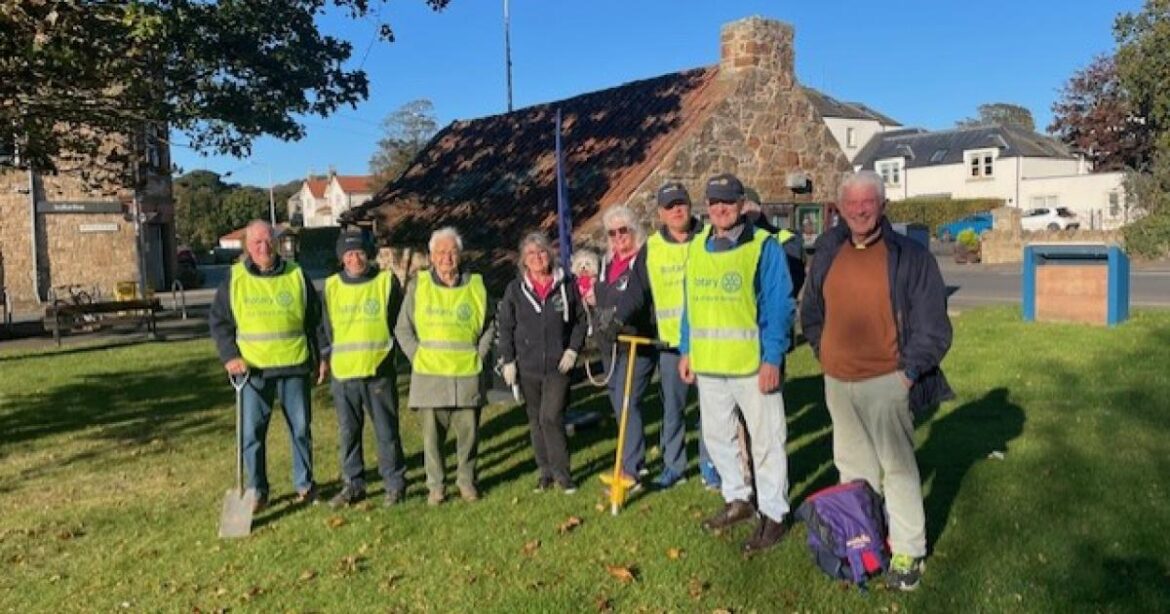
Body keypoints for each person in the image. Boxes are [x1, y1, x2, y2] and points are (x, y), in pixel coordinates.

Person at [800, 170, 953, 591]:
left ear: (883, 205)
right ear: (840, 208)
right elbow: (811, 310)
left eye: (868, 202)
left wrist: (907, 374)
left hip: (887, 380)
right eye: (851, 203)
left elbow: (935, 328)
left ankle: (908, 550)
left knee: (897, 469)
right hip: (838, 382)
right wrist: (823, 351)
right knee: (853, 468)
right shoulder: (829, 249)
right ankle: (864, 541)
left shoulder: (910, 257)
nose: (860, 210)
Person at [678, 173, 795, 555]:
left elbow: (779, 305)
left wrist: (773, 357)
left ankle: (774, 513)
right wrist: (686, 349)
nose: (720, 208)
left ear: (742, 204)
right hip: (709, 364)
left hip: (752, 365)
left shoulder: (763, 246)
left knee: (767, 441)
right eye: (714, 201)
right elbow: (691, 304)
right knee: (718, 438)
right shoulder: (698, 247)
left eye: (728, 201)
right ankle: (738, 498)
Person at [610, 181, 719, 490]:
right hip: (671, 345)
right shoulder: (653, 248)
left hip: (710, 340)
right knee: (673, 410)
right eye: (669, 207)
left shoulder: (710, 238)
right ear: (660, 213)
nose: (676, 211)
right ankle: (674, 466)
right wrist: (617, 319)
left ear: (690, 205)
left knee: (713, 410)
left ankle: (712, 466)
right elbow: (637, 291)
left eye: (680, 204)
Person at [209, 219, 324, 512]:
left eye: (268, 240)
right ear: (248, 246)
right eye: (257, 242)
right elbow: (220, 322)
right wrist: (230, 356)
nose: (264, 247)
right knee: (251, 435)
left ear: (276, 242)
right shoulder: (235, 278)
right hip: (252, 372)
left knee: (300, 430)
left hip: (294, 366)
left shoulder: (297, 274)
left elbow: (315, 320)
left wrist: (321, 355)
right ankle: (258, 491)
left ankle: (305, 485)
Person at [395, 227, 496, 506]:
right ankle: (436, 486)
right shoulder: (418, 286)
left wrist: (480, 355)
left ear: (460, 255)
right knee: (432, 439)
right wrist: (417, 357)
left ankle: (466, 482)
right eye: (440, 252)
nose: (446, 258)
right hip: (430, 376)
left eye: (452, 252)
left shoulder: (476, 285)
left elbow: (489, 325)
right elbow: (402, 329)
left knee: (469, 436)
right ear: (431, 256)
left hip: (467, 374)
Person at [320, 232, 407, 508]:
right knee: (348, 433)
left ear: (367, 255)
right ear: (341, 258)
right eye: (348, 254)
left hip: (378, 372)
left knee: (386, 432)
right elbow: (324, 328)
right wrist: (325, 357)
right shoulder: (331, 286)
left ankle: (394, 484)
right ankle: (353, 484)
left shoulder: (385, 282)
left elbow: (398, 321)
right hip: (344, 375)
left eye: (359, 253)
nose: (354, 259)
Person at [497, 233, 588, 494]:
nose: (537, 258)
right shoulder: (516, 290)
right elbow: (506, 326)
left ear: (550, 254)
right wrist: (508, 360)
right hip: (528, 367)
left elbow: (581, 320)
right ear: (524, 261)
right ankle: (545, 472)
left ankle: (563, 474)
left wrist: (573, 349)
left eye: (542, 252)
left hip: (559, 366)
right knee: (536, 419)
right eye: (531, 254)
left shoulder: (566, 284)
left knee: (551, 417)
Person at [591, 205, 654, 490]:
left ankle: (632, 469)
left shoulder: (643, 258)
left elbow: (636, 298)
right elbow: (602, 297)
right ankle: (631, 458)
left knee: (627, 401)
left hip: (636, 341)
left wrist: (618, 317)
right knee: (618, 403)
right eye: (612, 233)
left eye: (623, 231)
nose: (618, 237)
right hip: (610, 344)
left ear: (634, 230)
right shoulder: (606, 263)